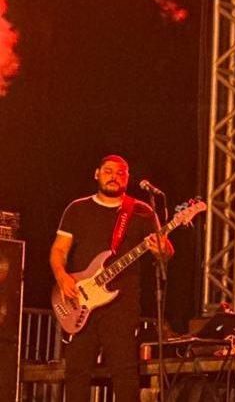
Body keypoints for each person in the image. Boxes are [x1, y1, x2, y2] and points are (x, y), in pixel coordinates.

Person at [50, 155, 174, 402]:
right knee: (76, 373)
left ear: (127, 178)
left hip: (122, 306)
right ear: (96, 173)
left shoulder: (142, 211)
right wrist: (62, 277)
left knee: (125, 373)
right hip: (80, 301)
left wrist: (163, 249)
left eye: (120, 173)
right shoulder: (77, 208)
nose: (114, 177)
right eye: (108, 171)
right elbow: (59, 250)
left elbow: (166, 254)